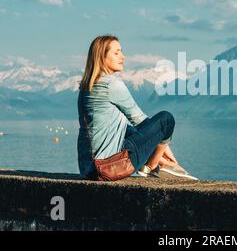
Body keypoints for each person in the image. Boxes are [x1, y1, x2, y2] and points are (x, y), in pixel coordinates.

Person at [76, 35, 197, 180]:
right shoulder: (112, 85)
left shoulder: (85, 88)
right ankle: (152, 167)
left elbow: (123, 129)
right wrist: (162, 146)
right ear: (101, 57)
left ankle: (161, 163)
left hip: (87, 169)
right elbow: (141, 121)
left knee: (128, 129)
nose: (123, 56)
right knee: (166, 120)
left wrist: (159, 149)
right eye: (116, 53)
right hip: (109, 167)